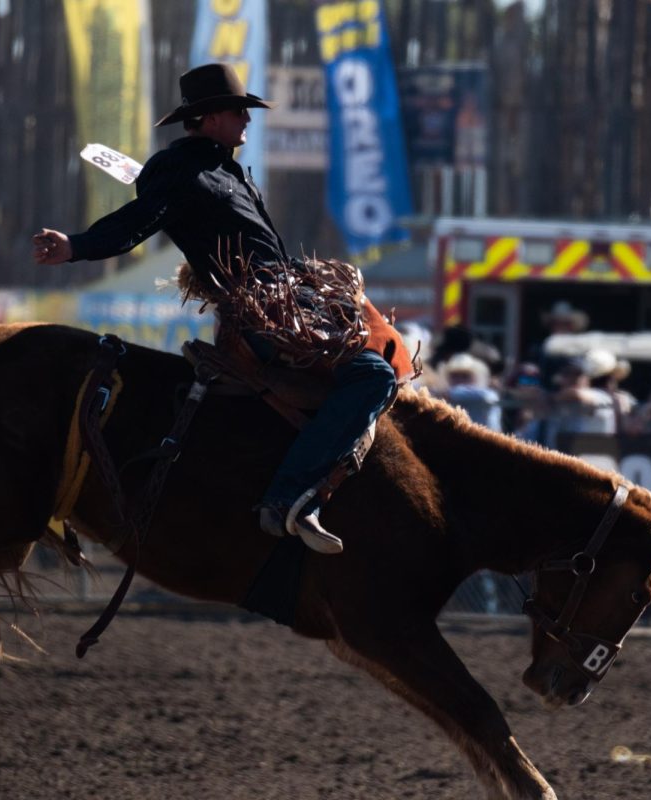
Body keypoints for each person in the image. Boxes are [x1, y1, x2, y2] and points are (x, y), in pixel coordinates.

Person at [33, 63, 406, 556]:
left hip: (288, 305)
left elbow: (261, 250)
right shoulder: (180, 168)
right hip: (261, 319)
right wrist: (75, 246)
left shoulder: (224, 168)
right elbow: (137, 222)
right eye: (238, 112)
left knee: (383, 358)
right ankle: (290, 496)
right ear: (209, 118)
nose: (247, 121)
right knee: (374, 377)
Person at [436, 353, 502, 431]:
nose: (459, 380)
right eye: (454, 376)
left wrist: (451, 393)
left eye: (465, 376)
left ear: (475, 377)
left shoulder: (486, 395)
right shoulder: (447, 397)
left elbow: (488, 396)